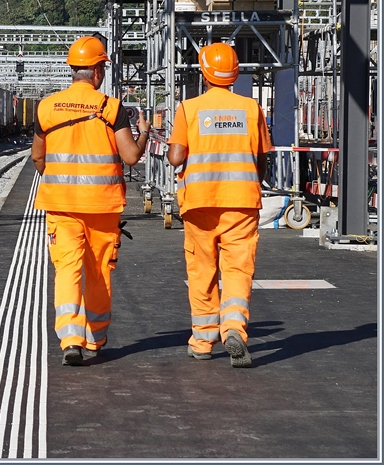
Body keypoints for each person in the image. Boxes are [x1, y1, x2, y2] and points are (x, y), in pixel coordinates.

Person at [31, 36, 149, 366]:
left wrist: (58, 179)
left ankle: (70, 339)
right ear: (98, 71)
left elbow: (38, 157)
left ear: (74, 71)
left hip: (62, 206)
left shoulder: (46, 107)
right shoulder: (112, 109)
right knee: (98, 271)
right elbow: (130, 157)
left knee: (66, 269)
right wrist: (143, 132)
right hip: (103, 206)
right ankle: (95, 338)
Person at [167, 42, 271, 368]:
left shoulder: (189, 109)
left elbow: (175, 157)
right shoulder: (252, 109)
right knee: (238, 269)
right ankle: (234, 328)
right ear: (235, 73)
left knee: (202, 270)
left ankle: (202, 341)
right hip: (241, 202)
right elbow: (261, 158)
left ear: (203, 72)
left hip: (199, 203)